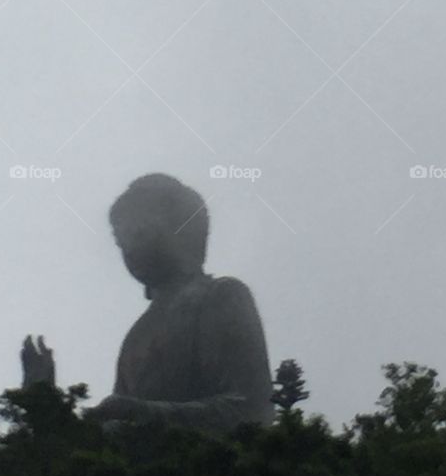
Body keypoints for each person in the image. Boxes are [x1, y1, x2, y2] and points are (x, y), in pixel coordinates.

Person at [21, 173, 274, 431]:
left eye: (139, 233)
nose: (129, 248)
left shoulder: (221, 297)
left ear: (184, 229)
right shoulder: (138, 335)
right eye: (121, 241)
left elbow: (251, 412)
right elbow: (109, 444)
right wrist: (45, 405)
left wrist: (145, 413)